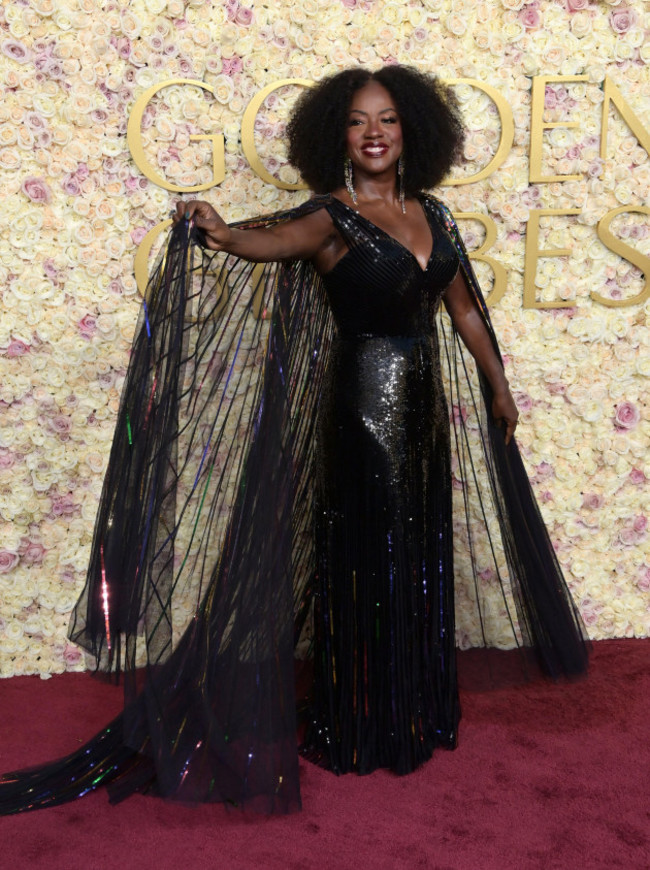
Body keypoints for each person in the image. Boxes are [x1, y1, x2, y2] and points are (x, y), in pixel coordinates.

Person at [0, 66, 589, 816]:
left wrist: (499, 384)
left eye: (387, 119)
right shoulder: (329, 217)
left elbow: (464, 309)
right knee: (366, 563)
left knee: (417, 557)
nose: (373, 133)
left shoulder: (433, 214)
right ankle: (358, 723)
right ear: (335, 136)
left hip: (422, 418)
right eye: (356, 121)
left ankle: (414, 710)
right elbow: (263, 243)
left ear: (412, 131)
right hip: (362, 417)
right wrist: (217, 231)